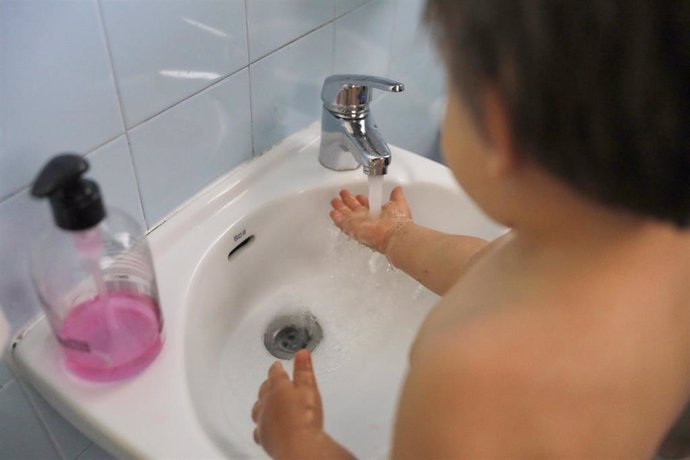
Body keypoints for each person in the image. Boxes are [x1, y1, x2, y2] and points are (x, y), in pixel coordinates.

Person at [251, 0, 690, 457]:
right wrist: (393, 236)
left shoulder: (471, 382)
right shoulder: (651, 251)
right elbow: (486, 270)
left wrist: (300, 444)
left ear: (499, 126)